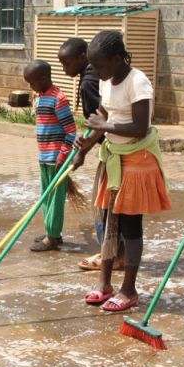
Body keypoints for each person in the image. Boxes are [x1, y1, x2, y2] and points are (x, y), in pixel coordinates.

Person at [72, 30, 170, 312]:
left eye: (100, 66)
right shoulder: (106, 81)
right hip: (113, 158)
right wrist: (84, 145)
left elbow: (140, 127)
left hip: (136, 160)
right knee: (107, 221)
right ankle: (104, 283)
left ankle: (129, 289)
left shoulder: (137, 82)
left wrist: (104, 128)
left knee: (130, 226)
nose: (97, 72)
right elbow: (104, 116)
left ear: (117, 59)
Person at [57, 37, 124, 272]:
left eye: (67, 64)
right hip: (114, 147)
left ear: (83, 57)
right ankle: (115, 252)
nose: (65, 70)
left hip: (116, 149)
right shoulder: (99, 78)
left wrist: (82, 151)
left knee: (104, 205)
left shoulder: (91, 82)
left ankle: (112, 254)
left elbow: (102, 121)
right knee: (112, 205)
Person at [23, 60, 76, 252]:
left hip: (57, 159)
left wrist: (63, 155)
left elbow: (71, 131)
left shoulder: (58, 99)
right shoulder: (40, 98)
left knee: (55, 198)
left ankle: (52, 237)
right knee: (45, 196)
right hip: (44, 157)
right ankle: (52, 232)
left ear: (44, 79)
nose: (31, 87)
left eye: (32, 83)